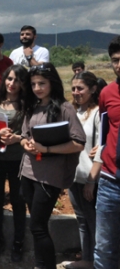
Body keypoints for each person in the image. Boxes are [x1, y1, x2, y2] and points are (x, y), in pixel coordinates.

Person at [19, 63, 85, 269]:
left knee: (38, 226)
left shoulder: (64, 109)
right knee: (36, 225)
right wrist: (27, 144)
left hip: (49, 177)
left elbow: (78, 143)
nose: (37, 88)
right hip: (29, 171)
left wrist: (47, 150)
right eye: (33, 84)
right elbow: (24, 136)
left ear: (52, 83)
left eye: (42, 83)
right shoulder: (32, 107)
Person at [0, 65, 27, 261]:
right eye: (9, 79)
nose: (12, 83)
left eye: (17, 80)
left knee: (19, 203)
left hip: (18, 160)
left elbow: (32, 131)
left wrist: (17, 137)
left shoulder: (27, 105)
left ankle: (18, 243)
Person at [63, 71, 102, 269]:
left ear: (93, 89)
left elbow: (101, 148)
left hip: (89, 178)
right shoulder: (73, 112)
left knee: (94, 222)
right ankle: (87, 259)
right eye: (74, 88)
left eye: (81, 88)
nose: (76, 92)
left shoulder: (97, 114)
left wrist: (91, 181)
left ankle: (99, 260)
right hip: (73, 177)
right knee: (82, 220)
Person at [94, 36, 120, 269]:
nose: (119, 65)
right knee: (104, 248)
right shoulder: (107, 93)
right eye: (115, 60)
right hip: (110, 181)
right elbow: (105, 128)